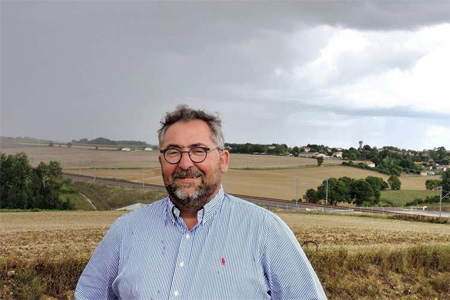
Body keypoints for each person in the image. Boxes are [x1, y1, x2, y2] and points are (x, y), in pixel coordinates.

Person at [75, 105, 327, 300]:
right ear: (161, 161)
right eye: (173, 152)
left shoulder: (266, 231)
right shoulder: (125, 231)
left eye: (199, 150)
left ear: (224, 160)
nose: (185, 164)